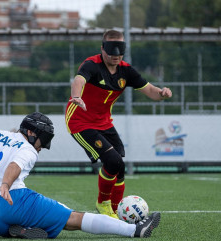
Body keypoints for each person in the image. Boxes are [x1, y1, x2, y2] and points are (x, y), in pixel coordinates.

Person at [0, 112, 160, 239]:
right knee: (73, 218)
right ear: (31, 132)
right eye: (44, 139)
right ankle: (134, 230)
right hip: (12, 200)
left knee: (58, 220)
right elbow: (14, 165)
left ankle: (21, 230)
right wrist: (5, 184)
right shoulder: (28, 149)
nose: (44, 146)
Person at [65, 29, 173, 218]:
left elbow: (149, 90)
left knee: (119, 166)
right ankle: (103, 204)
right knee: (112, 161)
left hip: (104, 122)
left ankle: (115, 212)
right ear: (102, 48)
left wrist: (162, 93)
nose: (115, 53)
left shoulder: (126, 70)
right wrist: (76, 96)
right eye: (110, 49)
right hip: (80, 122)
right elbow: (78, 80)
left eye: (120, 49)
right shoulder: (92, 65)